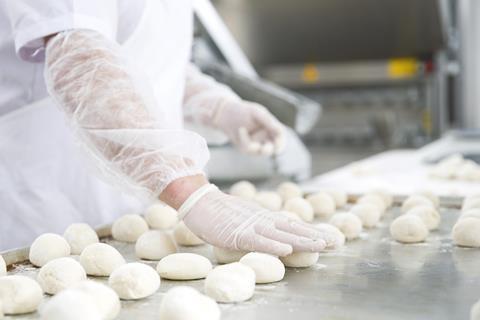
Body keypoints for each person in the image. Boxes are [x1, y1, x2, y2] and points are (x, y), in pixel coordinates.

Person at [0, 0, 331, 254]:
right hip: (43, 198)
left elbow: (148, 64)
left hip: (129, 205)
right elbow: (81, 63)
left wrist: (218, 106)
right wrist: (190, 192)